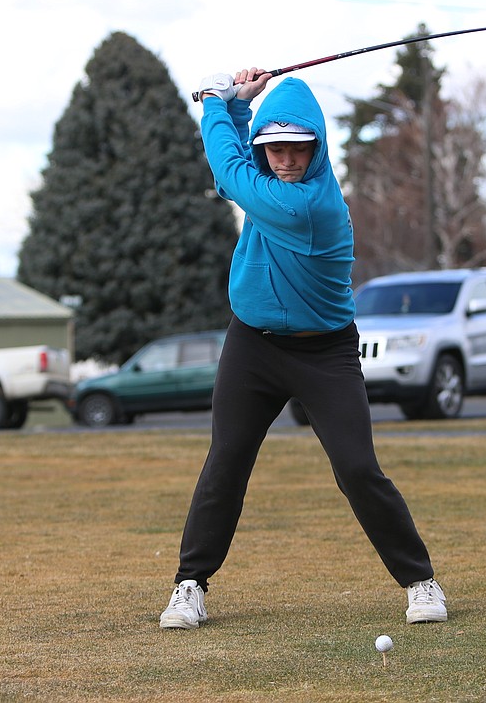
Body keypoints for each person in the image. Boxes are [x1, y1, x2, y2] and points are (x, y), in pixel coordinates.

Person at [159, 67, 447, 630]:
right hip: (252, 347)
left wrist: (217, 104)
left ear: (315, 148)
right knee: (226, 462)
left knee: (358, 468)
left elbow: (229, 169)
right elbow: (241, 166)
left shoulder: (311, 208)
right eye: (274, 148)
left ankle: (420, 582)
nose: (285, 160)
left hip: (325, 352)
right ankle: (189, 585)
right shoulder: (270, 185)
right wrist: (243, 107)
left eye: (297, 148)